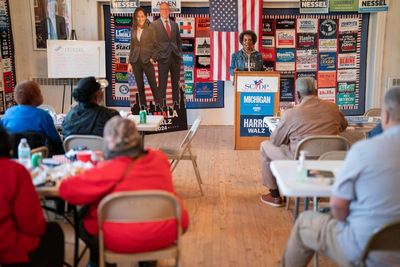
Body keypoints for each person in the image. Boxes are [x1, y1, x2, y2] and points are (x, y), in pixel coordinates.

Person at [282, 86, 400, 267]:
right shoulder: (333, 108)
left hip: (366, 250)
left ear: (385, 116)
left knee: (304, 222)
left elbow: (338, 207)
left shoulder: (363, 151)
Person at [59, 117, 190, 267]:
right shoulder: (160, 159)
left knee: (82, 218)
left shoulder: (108, 170)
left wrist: (100, 165)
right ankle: (147, 260)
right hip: (165, 233)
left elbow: (66, 190)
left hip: (120, 239)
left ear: (109, 143)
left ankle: (99, 260)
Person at [260, 77, 348, 207]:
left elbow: (276, 141)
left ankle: (275, 196)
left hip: (300, 164)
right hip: (328, 164)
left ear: (298, 95)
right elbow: (344, 126)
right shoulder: (333, 108)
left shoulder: (291, 113)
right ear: (316, 91)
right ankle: (315, 194)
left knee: (265, 146)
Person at [0, 125, 64, 267]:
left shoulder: (10, 114)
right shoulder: (14, 171)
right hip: (8, 250)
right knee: (54, 232)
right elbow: (33, 225)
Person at [0, 80, 64, 154]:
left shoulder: (8, 113)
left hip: (14, 156)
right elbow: (56, 140)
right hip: (41, 157)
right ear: (35, 96)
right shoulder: (43, 116)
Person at [127, 7, 161, 107]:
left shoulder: (151, 28)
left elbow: (157, 46)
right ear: (135, 18)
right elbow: (132, 47)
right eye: (138, 17)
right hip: (135, 61)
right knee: (140, 87)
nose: (140, 18)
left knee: (153, 86)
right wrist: (129, 63)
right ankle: (144, 109)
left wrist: (152, 58)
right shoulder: (133, 29)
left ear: (145, 17)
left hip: (147, 61)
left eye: (142, 16)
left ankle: (159, 108)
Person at [151, 2, 183, 105]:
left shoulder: (175, 24)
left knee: (175, 85)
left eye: (166, 9)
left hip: (175, 58)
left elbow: (178, 41)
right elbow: (152, 43)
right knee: (162, 85)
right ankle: (161, 108)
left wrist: (179, 54)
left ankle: (177, 106)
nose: (165, 11)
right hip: (163, 59)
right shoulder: (154, 24)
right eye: (162, 9)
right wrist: (156, 56)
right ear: (160, 11)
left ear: (169, 11)